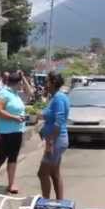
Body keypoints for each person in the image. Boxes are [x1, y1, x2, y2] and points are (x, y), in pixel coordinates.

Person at [37, 72, 70, 200]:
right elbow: (51, 116)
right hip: (55, 140)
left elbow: (59, 121)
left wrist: (50, 143)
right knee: (54, 173)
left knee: (42, 173)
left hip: (56, 141)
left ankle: (46, 203)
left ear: (52, 82)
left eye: (47, 81)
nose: (46, 84)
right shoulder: (55, 97)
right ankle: (59, 205)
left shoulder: (59, 98)